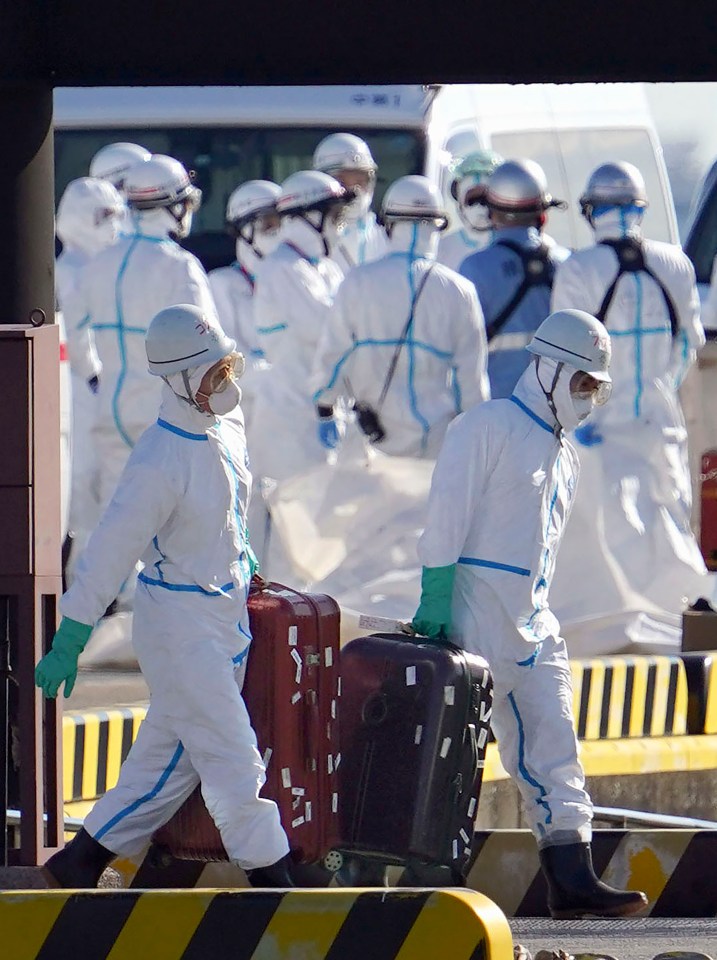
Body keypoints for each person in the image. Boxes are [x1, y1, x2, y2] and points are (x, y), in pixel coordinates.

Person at [35, 304, 293, 890]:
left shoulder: (227, 426)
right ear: (178, 380)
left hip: (224, 616)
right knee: (233, 760)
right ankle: (276, 886)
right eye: (211, 373)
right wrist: (72, 635)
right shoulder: (157, 458)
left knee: (165, 766)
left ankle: (77, 866)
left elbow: (233, 511)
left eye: (225, 367)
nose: (223, 382)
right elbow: (110, 550)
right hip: (180, 627)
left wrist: (245, 561)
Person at [411, 309, 648, 919]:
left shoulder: (564, 453)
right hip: (476, 615)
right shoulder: (484, 426)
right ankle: (422, 883)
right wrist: (436, 602)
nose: (588, 398)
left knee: (554, 744)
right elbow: (445, 521)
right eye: (582, 384)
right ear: (547, 370)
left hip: (535, 620)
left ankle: (572, 878)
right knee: (450, 756)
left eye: (597, 387)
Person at [550, 161, 707, 618]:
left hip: (599, 428)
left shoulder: (579, 268)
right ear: (640, 206)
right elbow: (688, 346)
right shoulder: (676, 264)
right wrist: (662, 390)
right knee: (669, 527)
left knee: (604, 540)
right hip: (661, 426)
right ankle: (675, 627)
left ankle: (613, 630)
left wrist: (578, 417)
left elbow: (565, 356)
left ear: (591, 209)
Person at [62, 154, 217, 523]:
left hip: (111, 409)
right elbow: (210, 344)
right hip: (161, 412)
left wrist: (94, 375)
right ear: (176, 206)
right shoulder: (180, 266)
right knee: (171, 521)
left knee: (111, 521)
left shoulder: (99, 263)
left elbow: (73, 328)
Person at [312, 175, 490, 458]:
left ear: (389, 225)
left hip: (371, 442)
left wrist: (324, 407)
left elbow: (333, 356)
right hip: (436, 447)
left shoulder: (357, 282)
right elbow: (470, 381)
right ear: (438, 225)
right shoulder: (460, 291)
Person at [251, 169, 351, 484]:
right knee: (295, 528)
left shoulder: (328, 269)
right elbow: (328, 328)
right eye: (335, 217)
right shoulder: (282, 268)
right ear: (308, 216)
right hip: (291, 421)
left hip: (324, 415)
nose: (340, 227)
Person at [55, 177, 126, 561]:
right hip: (82, 390)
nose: (113, 227)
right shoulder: (72, 271)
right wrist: (97, 375)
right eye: (105, 217)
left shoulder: (94, 267)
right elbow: (79, 336)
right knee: (82, 489)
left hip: (96, 389)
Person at [459, 159, 569, 400]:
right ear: (543, 214)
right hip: (556, 415)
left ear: (491, 212)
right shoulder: (568, 265)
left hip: (497, 413)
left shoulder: (473, 269)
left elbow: (459, 356)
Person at [209, 180, 281, 433]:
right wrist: (284, 379)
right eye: (270, 225)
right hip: (242, 421)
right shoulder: (220, 285)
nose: (280, 234)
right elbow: (229, 360)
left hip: (290, 418)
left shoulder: (297, 281)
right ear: (243, 230)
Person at [312, 132, 387, 273]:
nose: (355, 191)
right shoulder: (310, 241)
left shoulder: (387, 241)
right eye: (343, 182)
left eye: (361, 181)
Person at [437, 149, 502, 272]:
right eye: (472, 200)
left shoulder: (511, 246)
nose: (480, 207)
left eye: (485, 199)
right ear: (460, 203)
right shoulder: (442, 249)